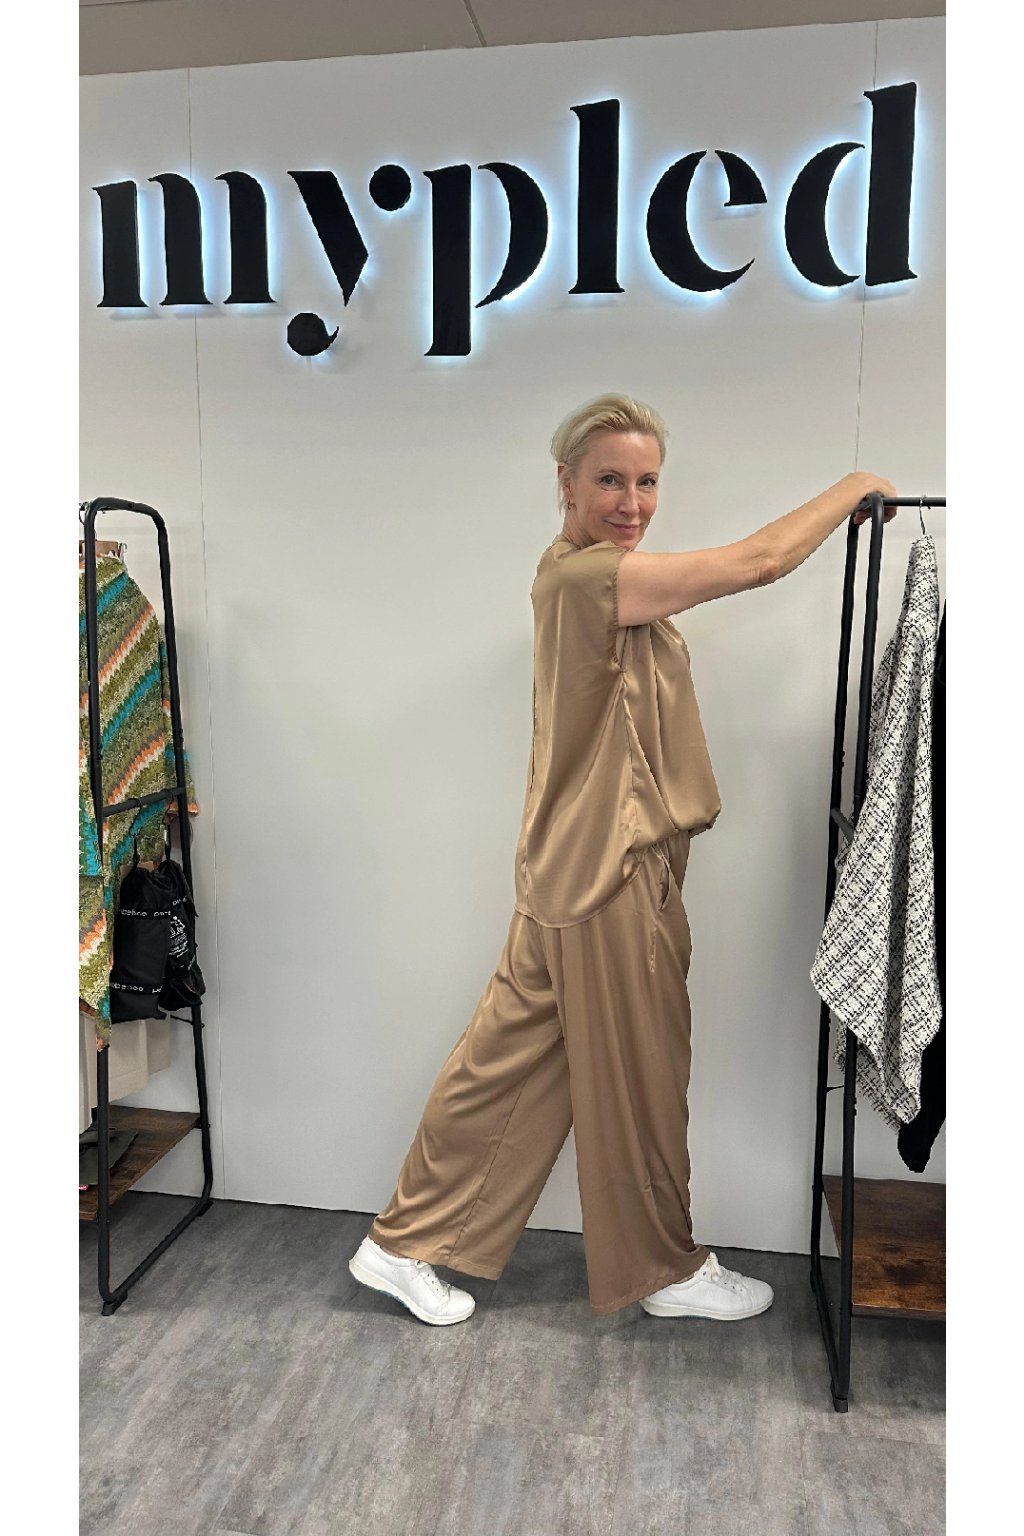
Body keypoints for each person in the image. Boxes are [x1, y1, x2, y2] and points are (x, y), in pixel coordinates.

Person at [349, 393, 897, 1326]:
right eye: (610, 479)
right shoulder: (590, 580)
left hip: (566, 865)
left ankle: (401, 1243)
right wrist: (857, 485)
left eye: (647, 481)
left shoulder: (570, 570)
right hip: (609, 871)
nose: (632, 502)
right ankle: (663, 1269)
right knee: (641, 1070)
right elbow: (758, 562)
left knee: (507, 1065)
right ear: (565, 482)